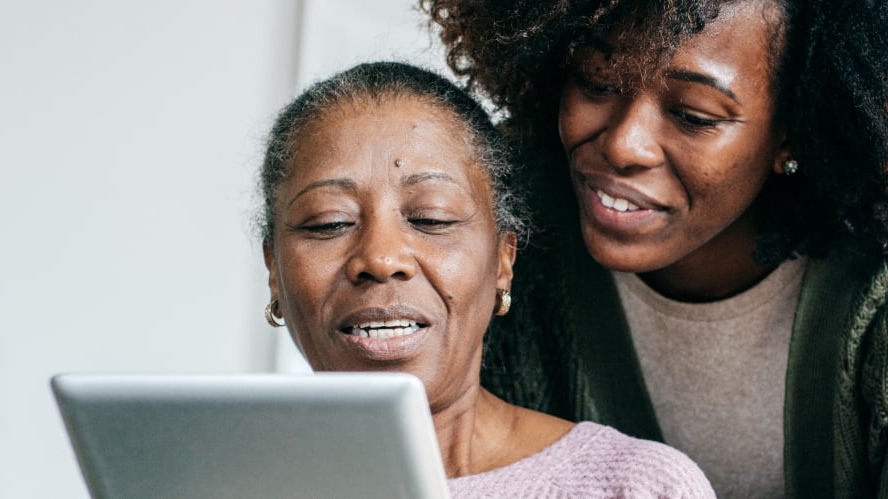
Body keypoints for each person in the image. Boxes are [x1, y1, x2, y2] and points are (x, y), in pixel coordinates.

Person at [426, 0, 888, 497]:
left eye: (693, 116)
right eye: (597, 82)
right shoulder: (504, 221)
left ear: (792, 127)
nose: (624, 144)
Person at [257, 61, 716, 498]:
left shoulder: (639, 488)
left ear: (503, 261)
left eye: (430, 218)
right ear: (275, 270)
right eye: (328, 223)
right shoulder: (209, 478)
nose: (381, 258)